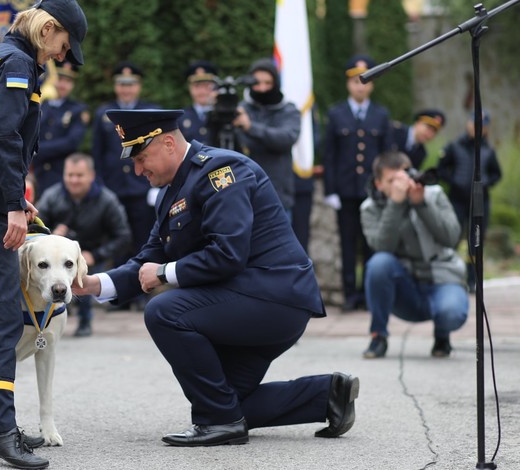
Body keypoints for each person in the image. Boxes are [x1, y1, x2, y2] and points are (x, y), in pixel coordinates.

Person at [74, 108, 359, 446]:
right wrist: (94, 285)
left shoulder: (222, 170)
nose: (137, 170)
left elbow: (228, 254)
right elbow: (149, 257)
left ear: (168, 143)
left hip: (275, 298)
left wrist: (165, 274)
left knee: (165, 311)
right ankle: (327, 395)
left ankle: (221, 423)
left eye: (142, 158)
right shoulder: (170, 191)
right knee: (224, 402)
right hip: (248, 298)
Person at [0, 0, 86, 467]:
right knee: (4, 320)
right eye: (62, 47)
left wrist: (14, 197)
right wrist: (11, 202)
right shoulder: (20, 62)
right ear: (48, 29)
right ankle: (0, 432)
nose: (60, 58)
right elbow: (2, 136)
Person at [360, 151, 468, 358]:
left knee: (451, 313)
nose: (399, 185)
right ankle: (378, 336)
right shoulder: (369, 208)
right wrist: (396, 204)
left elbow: (451, 238)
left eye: (402, 178)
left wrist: (421, 205)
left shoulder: (433, 194)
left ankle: (442, 335)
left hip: (442, 280)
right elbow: (383, 246)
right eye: (392, 180)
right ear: (378, 184)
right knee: (379, 263)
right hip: (406, 290)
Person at [323, 55, 392, 312]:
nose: (360, 86)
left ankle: (369, 294)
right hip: (346, 191)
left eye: (364, 81)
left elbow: (387, 156)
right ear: (348, 84)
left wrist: (385, 186)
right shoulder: (336, 113)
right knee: (348, 244)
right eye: (355, 81)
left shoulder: (381, 114)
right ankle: (350, 294)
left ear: (372, 84)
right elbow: (329, 155)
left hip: (372, 193)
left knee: (371, 244)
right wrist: (330, 190)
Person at [36, 153, 131, 337]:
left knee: (85, 272)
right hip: (57, 255)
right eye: (69, 175)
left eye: (79, 175)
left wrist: (96, 255)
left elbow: (123, 236)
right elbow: (35, 229)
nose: (73, 180)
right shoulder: (51, 196)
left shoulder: (107, 200)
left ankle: (85, 319)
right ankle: (45, 320)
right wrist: (51, 237)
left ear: (91, 176)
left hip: (92, 252)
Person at [92, 61, 161, 287]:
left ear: (139, 86)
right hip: (114, 187)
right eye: (122, 85)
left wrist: (156, 186)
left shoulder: (150, 112)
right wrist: (100, 184)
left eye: (130, 85)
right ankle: (121, 288)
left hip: (141, 185)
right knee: (117, 239)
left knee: (143, 239)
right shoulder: (104, 113)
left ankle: (142, 288)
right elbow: (97, 153)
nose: (126, 89)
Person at [437, 111, 502, 291]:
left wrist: (485, 183)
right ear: (468, 124)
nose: (477, 128)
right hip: (457, 200)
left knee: (476, 242)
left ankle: (473, 281)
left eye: (482, 125)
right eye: (474, 124)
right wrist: (454, 182)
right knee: (453, 238)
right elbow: (441, 168)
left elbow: (497, 174)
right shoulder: (454, 146)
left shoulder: (488, 150)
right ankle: (449, 277)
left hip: (480, 204)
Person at [233, 57, 301, 219]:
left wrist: (251, 127)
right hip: (243, 193)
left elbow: (286, 138)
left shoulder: (288, 110)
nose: (262, 88)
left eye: (267, 83)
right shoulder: (241, 109)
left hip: (277, 195)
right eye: (257, 83)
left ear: (275, 83)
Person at [32, 59, 88, 195]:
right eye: (60, 79)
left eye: (68, 82)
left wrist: (37, 151)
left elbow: (71, 142)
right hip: (37, 174)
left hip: (62, 175)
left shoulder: (77, 110)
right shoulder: (38, 104)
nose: (63, 85)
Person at [178, 60, 217, 143]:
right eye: (197, 86)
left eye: (206, 85)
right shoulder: (180, 118)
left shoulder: (225, 115)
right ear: (190, 89)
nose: (202, 91)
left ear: (215, 87)